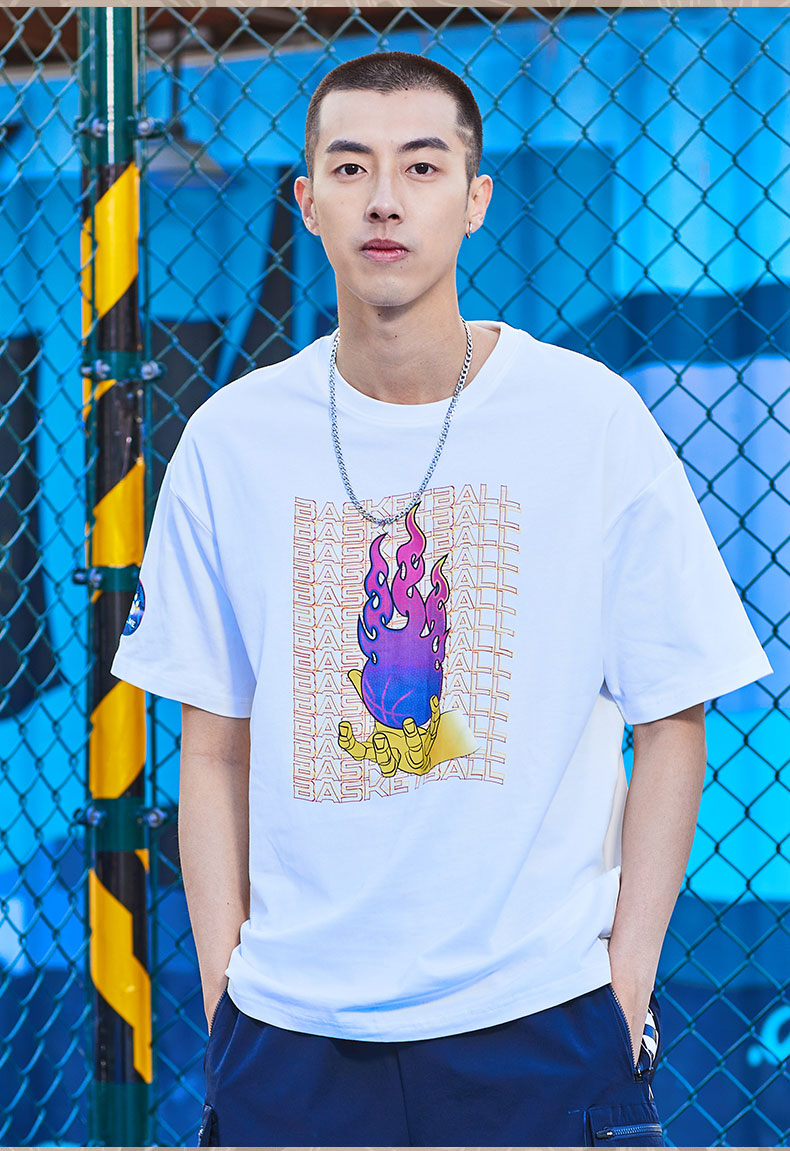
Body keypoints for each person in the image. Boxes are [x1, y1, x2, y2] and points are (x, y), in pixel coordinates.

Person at [110, 51, 773, 1147]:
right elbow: (212, 744)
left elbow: (674, 716)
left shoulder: (588, 420)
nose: (384, 199)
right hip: (290, 1038)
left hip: (540, 1023)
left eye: (421, 167)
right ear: (306, 200)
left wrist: (623, 986)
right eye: (351, 166)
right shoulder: (233, 439)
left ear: (474, 200)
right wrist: (228, 996)